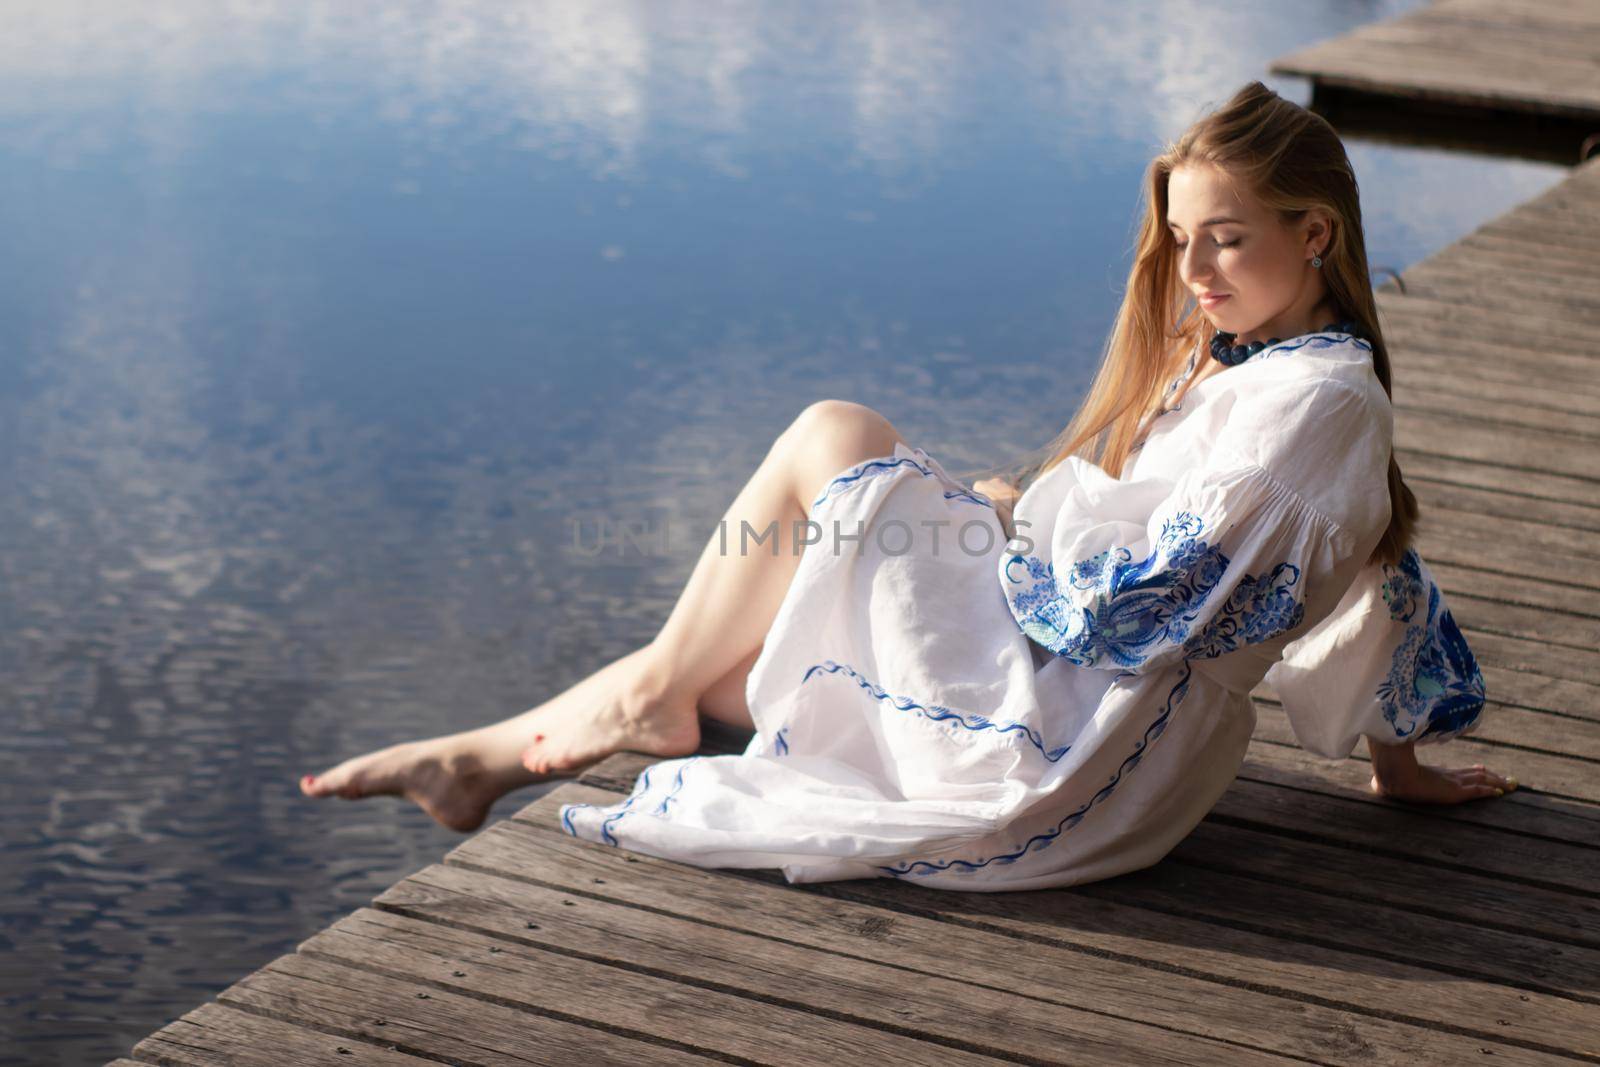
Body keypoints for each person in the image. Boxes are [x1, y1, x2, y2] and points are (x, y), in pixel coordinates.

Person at [301, 81, 1512, 890]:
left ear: (1316, 235)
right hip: (1079, 699)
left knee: (837, 436)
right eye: (1180, 236)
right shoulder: (1267, 368)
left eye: (1227, 237)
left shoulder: (1319, 398)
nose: (1192, 268)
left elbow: (1151, 594)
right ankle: (490, 756)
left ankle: (616, 713)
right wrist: (1396, 766)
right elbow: (1383, 558)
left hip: (1089, 750)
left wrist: (1005, 515)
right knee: (757, 651)